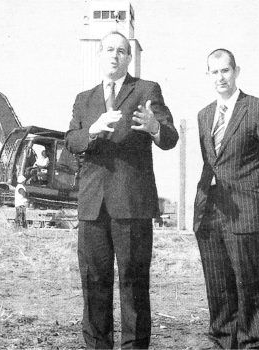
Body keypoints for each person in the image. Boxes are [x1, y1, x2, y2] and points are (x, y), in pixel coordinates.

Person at [65, 31, 179, 349]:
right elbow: (71, 140)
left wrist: (156, 128)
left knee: (133, 282)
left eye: (121, 51)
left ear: (129, 58)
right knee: (94, 282)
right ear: (99, 55)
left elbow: (170, 137)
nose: (114, 55)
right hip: (92, 206)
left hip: (132, 203)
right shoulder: (83, 99)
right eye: (109, 50)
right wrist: (93, 130)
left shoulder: (145, 90)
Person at [192, 48, 259, 349]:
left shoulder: (258, 109)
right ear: (208, 75)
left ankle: (251, 343)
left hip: (245, 213)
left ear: (236, 71)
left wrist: (253, 199)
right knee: (217, 285)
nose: (220, 77)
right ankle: (221, 341)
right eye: (214, 72)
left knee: (248, 285)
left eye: (225, 71)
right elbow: (210, 162)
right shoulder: (204, 115)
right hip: (210, 212)